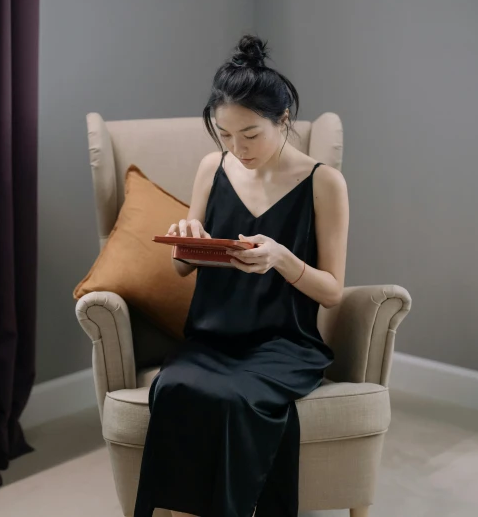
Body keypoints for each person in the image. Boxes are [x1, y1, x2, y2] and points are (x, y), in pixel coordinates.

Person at [133, 34, 349, 517]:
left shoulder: (323, 182)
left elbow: (332, 291)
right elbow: (184, 264)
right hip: (212, 337)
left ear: (284, 120)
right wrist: (186, 240)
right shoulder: (213, 167)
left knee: (235, 401)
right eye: (225, 135)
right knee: (173, 387)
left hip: (283, 344)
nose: (238, 148)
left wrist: (283, 259)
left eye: (250, 134)